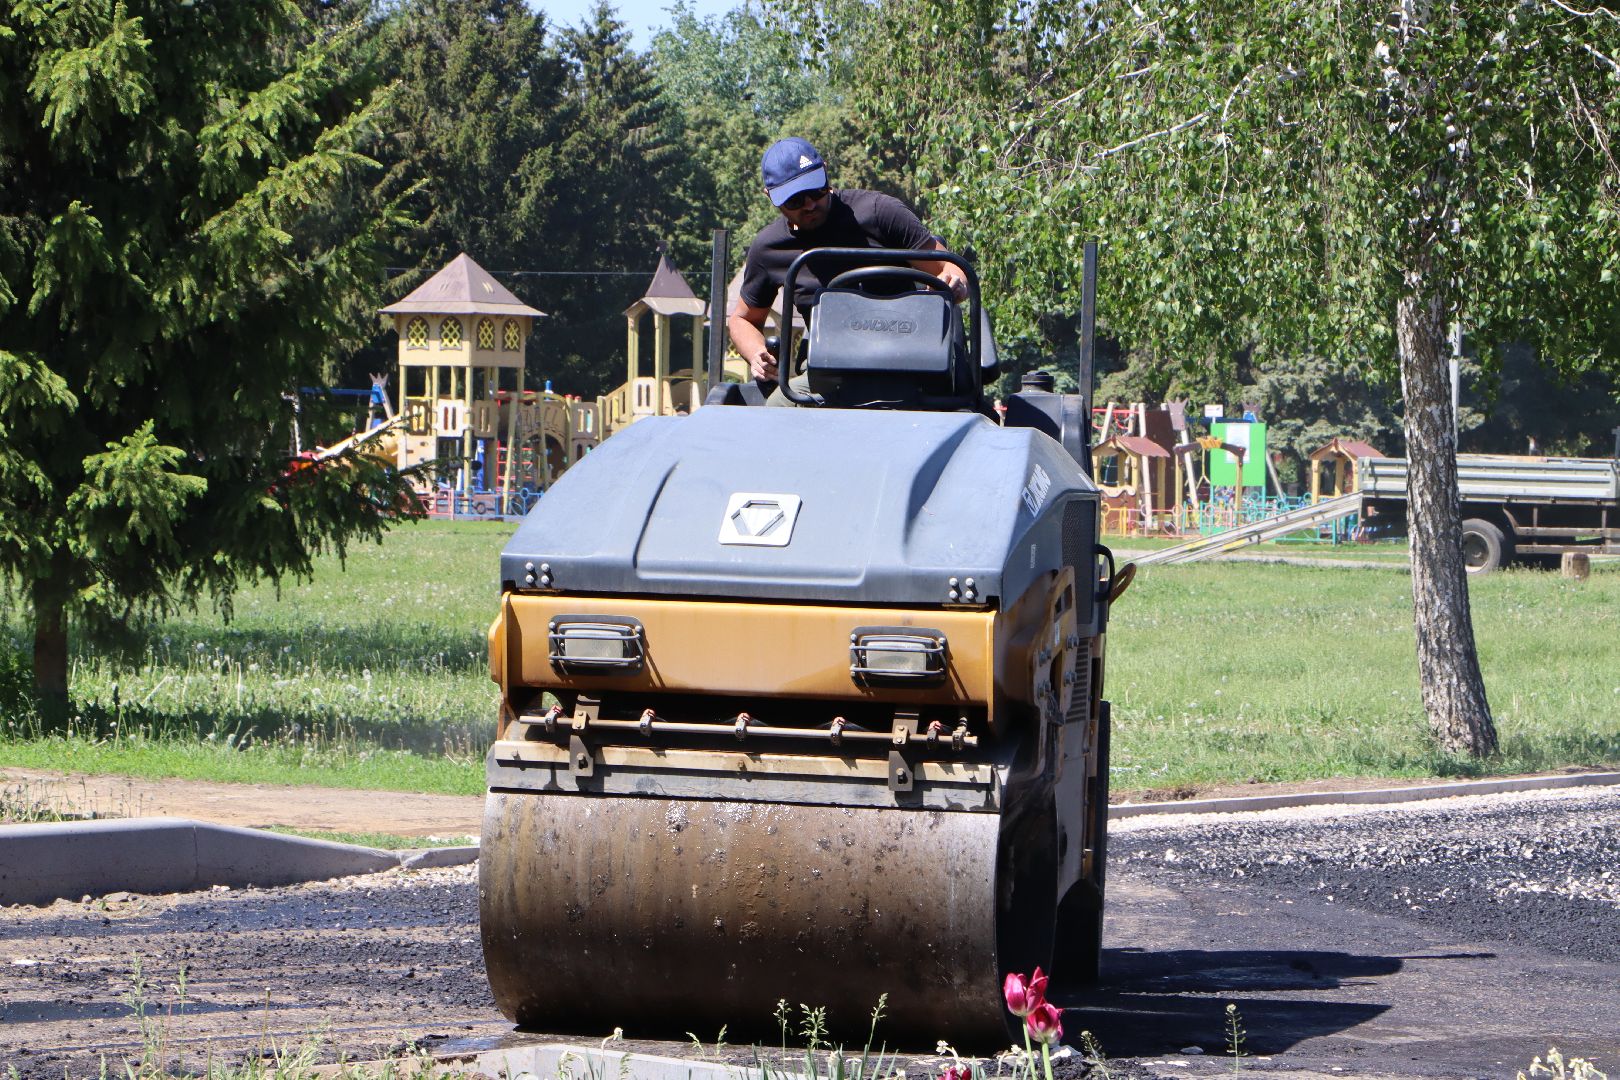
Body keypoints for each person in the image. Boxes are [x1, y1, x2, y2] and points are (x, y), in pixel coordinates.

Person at [727, 137, 969, 392]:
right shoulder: (768, 248)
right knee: (778, 405)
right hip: (829, 376)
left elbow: (950, 268)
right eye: (795, 200)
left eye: (816, 190)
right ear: (770, 196)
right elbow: (742, 319)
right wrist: (757, 353)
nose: (810, 204)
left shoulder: (880, 212)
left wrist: (954, 283)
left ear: (825, 172)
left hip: (911, 366)